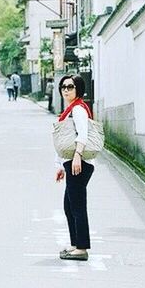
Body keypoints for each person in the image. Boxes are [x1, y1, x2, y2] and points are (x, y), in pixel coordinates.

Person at [54, 74, 94, 261]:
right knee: (69, 206)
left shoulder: (78, 109)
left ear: (78, 88)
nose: (66, 90)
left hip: (79, 162)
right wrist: (61, 166)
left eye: (70, 86)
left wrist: (77, 156)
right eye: (63, 87)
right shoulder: (71, 109)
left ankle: (82, 248)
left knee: (77, 206)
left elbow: (83, 135)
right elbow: (65, 139)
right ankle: (75, 244)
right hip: (72, 162)